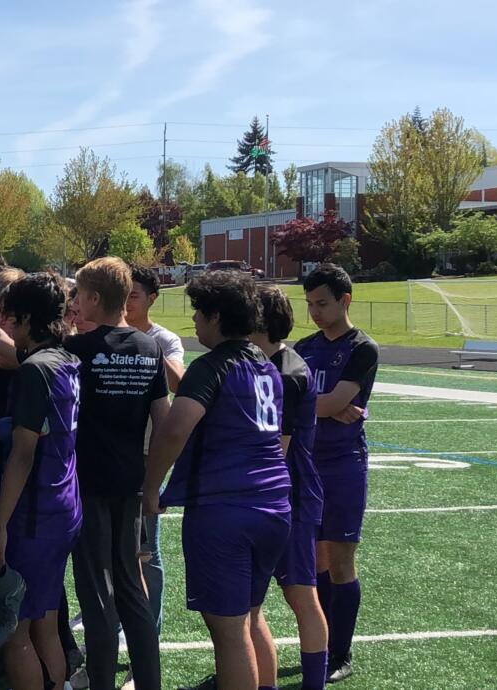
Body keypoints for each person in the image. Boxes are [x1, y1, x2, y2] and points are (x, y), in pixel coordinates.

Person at [142, 271, 291, 690]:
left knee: (227, 632)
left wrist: (151, 488)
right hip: (274, 504)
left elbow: (174, 429)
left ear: (216, 316)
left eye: (199, 313)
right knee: (251, 615)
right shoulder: (266, 365)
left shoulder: (212, 366)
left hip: (226, 509)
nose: (194, 322)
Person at [0, 273, 83, 690]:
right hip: (63, 500)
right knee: (44, 622)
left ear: (26, 319)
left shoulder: (35, 371)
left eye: (9, 317)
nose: (5, 326)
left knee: (15, 632)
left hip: (33, 512)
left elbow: (24, 453)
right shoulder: (65, 359)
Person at [65, 258, 168, 690]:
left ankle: (102, 682)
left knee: (96, 591)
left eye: (78, 295)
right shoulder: (149, 347)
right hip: (131, 480)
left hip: (89, 483)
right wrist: (151, 482)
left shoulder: (78, 351)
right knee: (131, 587)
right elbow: (163, 420)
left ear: (92, 297)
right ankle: (149, 682)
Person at [293, 264, 379, 684]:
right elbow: (302, 400)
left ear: (345, 300)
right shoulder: (304, 346)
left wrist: (319, 402)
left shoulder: (362, 348)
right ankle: (321, 645)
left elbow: (333, 402)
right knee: (314, 561)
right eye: (309, 303)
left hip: (344, 464)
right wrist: (324, 403)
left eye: (321, 303)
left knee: (341, 560)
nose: (314, 311)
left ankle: (340, 653)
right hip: (306, 463)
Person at [250, 285, 327, 690]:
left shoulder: (287, 371)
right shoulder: (266, 363)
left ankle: (313, 683)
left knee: (301, 595)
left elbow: (276, 450)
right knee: (251, 602)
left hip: (289, 491)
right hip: (274, 492)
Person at [126, 264, 185, 651]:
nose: (127, 301)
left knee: (148, 551)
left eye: (134, 295)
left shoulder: (164, 339)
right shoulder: (101, 333)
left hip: (147, 456)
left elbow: (181, 382)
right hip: (109, 455)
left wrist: (145, 347)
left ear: (151, 298)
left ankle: (150, 636)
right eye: (123, 293)